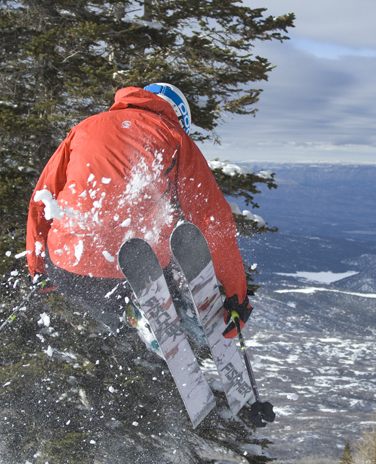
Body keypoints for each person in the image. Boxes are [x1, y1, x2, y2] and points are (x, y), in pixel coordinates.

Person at [26, 84, 252, 345]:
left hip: (67, 268)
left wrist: (38, 268)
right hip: (139, 273)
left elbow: (42, 199)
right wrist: (236, 294)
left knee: (106, 304)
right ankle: (178, 313)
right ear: (179, 116)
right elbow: (210, 219)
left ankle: (130, 317)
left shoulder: (84, 128)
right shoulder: (173, 134)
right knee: (167, 251)